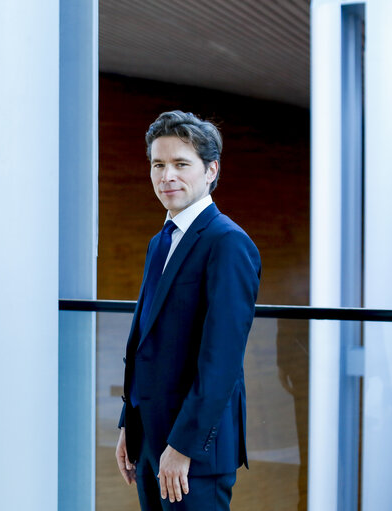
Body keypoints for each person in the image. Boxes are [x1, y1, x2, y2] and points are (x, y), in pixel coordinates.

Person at [115, 110, 261, 510]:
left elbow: (222, 361)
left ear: (211, 170)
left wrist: (183, 446)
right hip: (149, 439)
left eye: (181, 164)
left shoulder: (227, 243)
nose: (167, 176)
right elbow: (146, 338)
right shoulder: (159, 241)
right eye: (158, 164)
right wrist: (130, 423)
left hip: (192, 451)